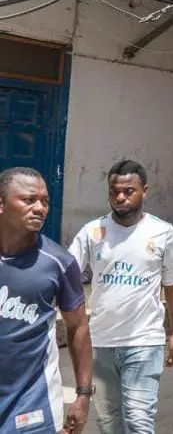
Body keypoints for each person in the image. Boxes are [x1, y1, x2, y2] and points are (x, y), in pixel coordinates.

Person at [67, 160, 173, 434]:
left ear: (145, 190)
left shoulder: (162, 232)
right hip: (100, 342)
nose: (120, 197)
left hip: (144, 341)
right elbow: (67, 272)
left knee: (138, 420)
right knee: (109, 422)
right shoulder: (92, 232)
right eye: (114, 191)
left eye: (128, 191)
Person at [0, 167, 93, 434]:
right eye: (29, 200)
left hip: (31, 400)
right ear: (1, 204)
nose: (40, 208)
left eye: (45, 201)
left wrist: (83, 395)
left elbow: (78, 327)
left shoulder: (59, 263)